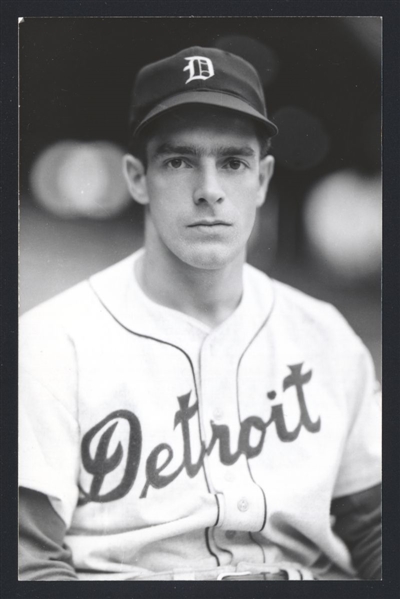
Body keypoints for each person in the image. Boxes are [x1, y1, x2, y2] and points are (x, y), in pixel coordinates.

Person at [19, 46, 381, 581]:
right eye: (178, 160)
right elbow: (27, 566)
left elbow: (376, 533)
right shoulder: (50, 344)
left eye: (233, 162)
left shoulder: (326, 337)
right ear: (137, 178)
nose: (209, 191)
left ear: (262, 180)